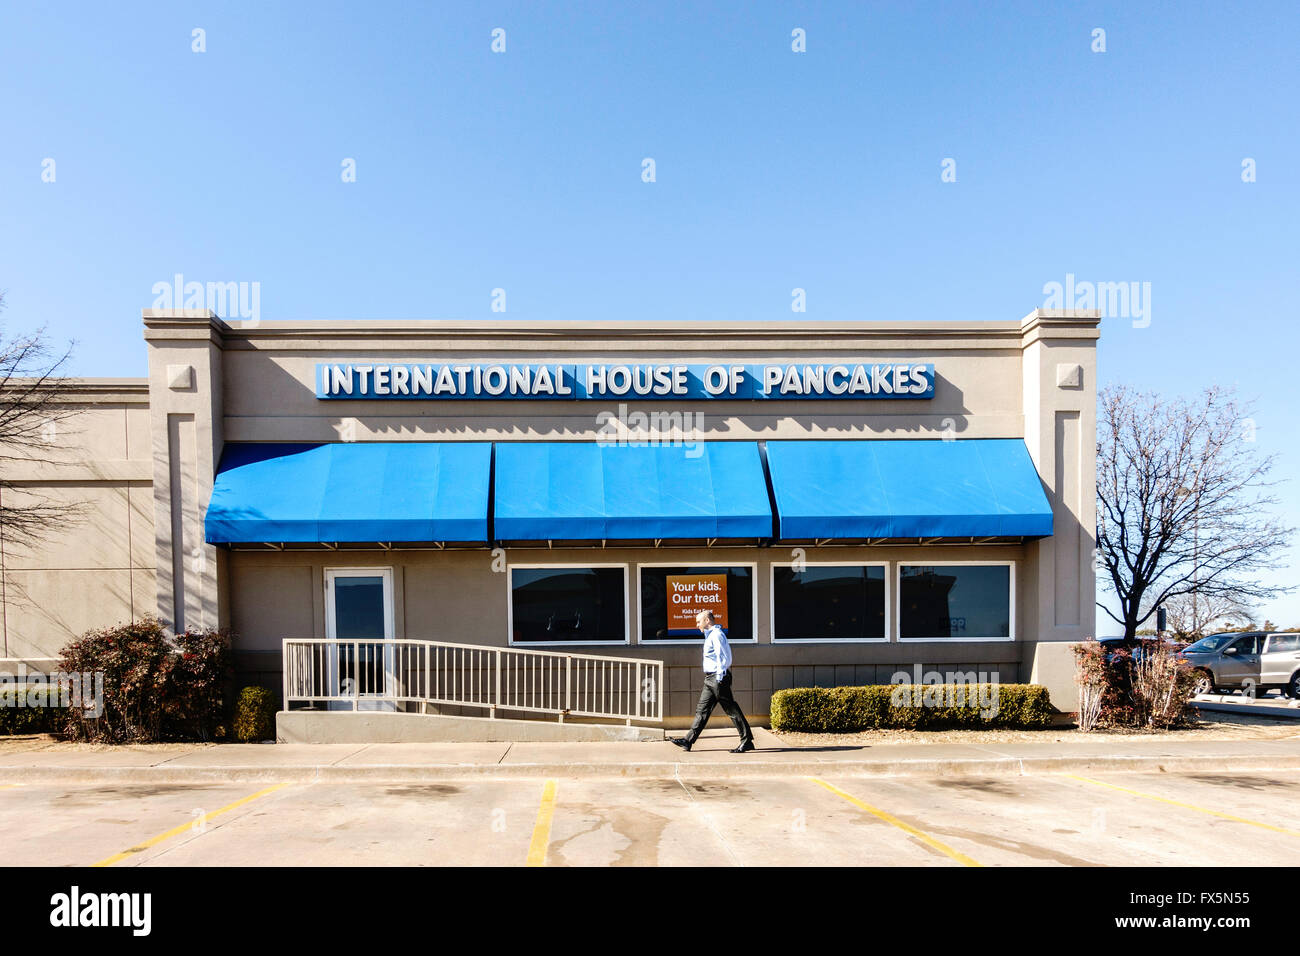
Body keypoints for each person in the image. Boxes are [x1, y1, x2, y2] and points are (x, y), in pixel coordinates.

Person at [668, 609, 755, 753]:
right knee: (702, 710)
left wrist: (720, 678)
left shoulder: (716, 635)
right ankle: (688, 740)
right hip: (710, 678)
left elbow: (723, 657)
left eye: (698, 621)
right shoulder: (711, 636)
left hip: (717, 677)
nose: (697, 625)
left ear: (707, 620)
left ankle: (746, 740)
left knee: (731, 709)